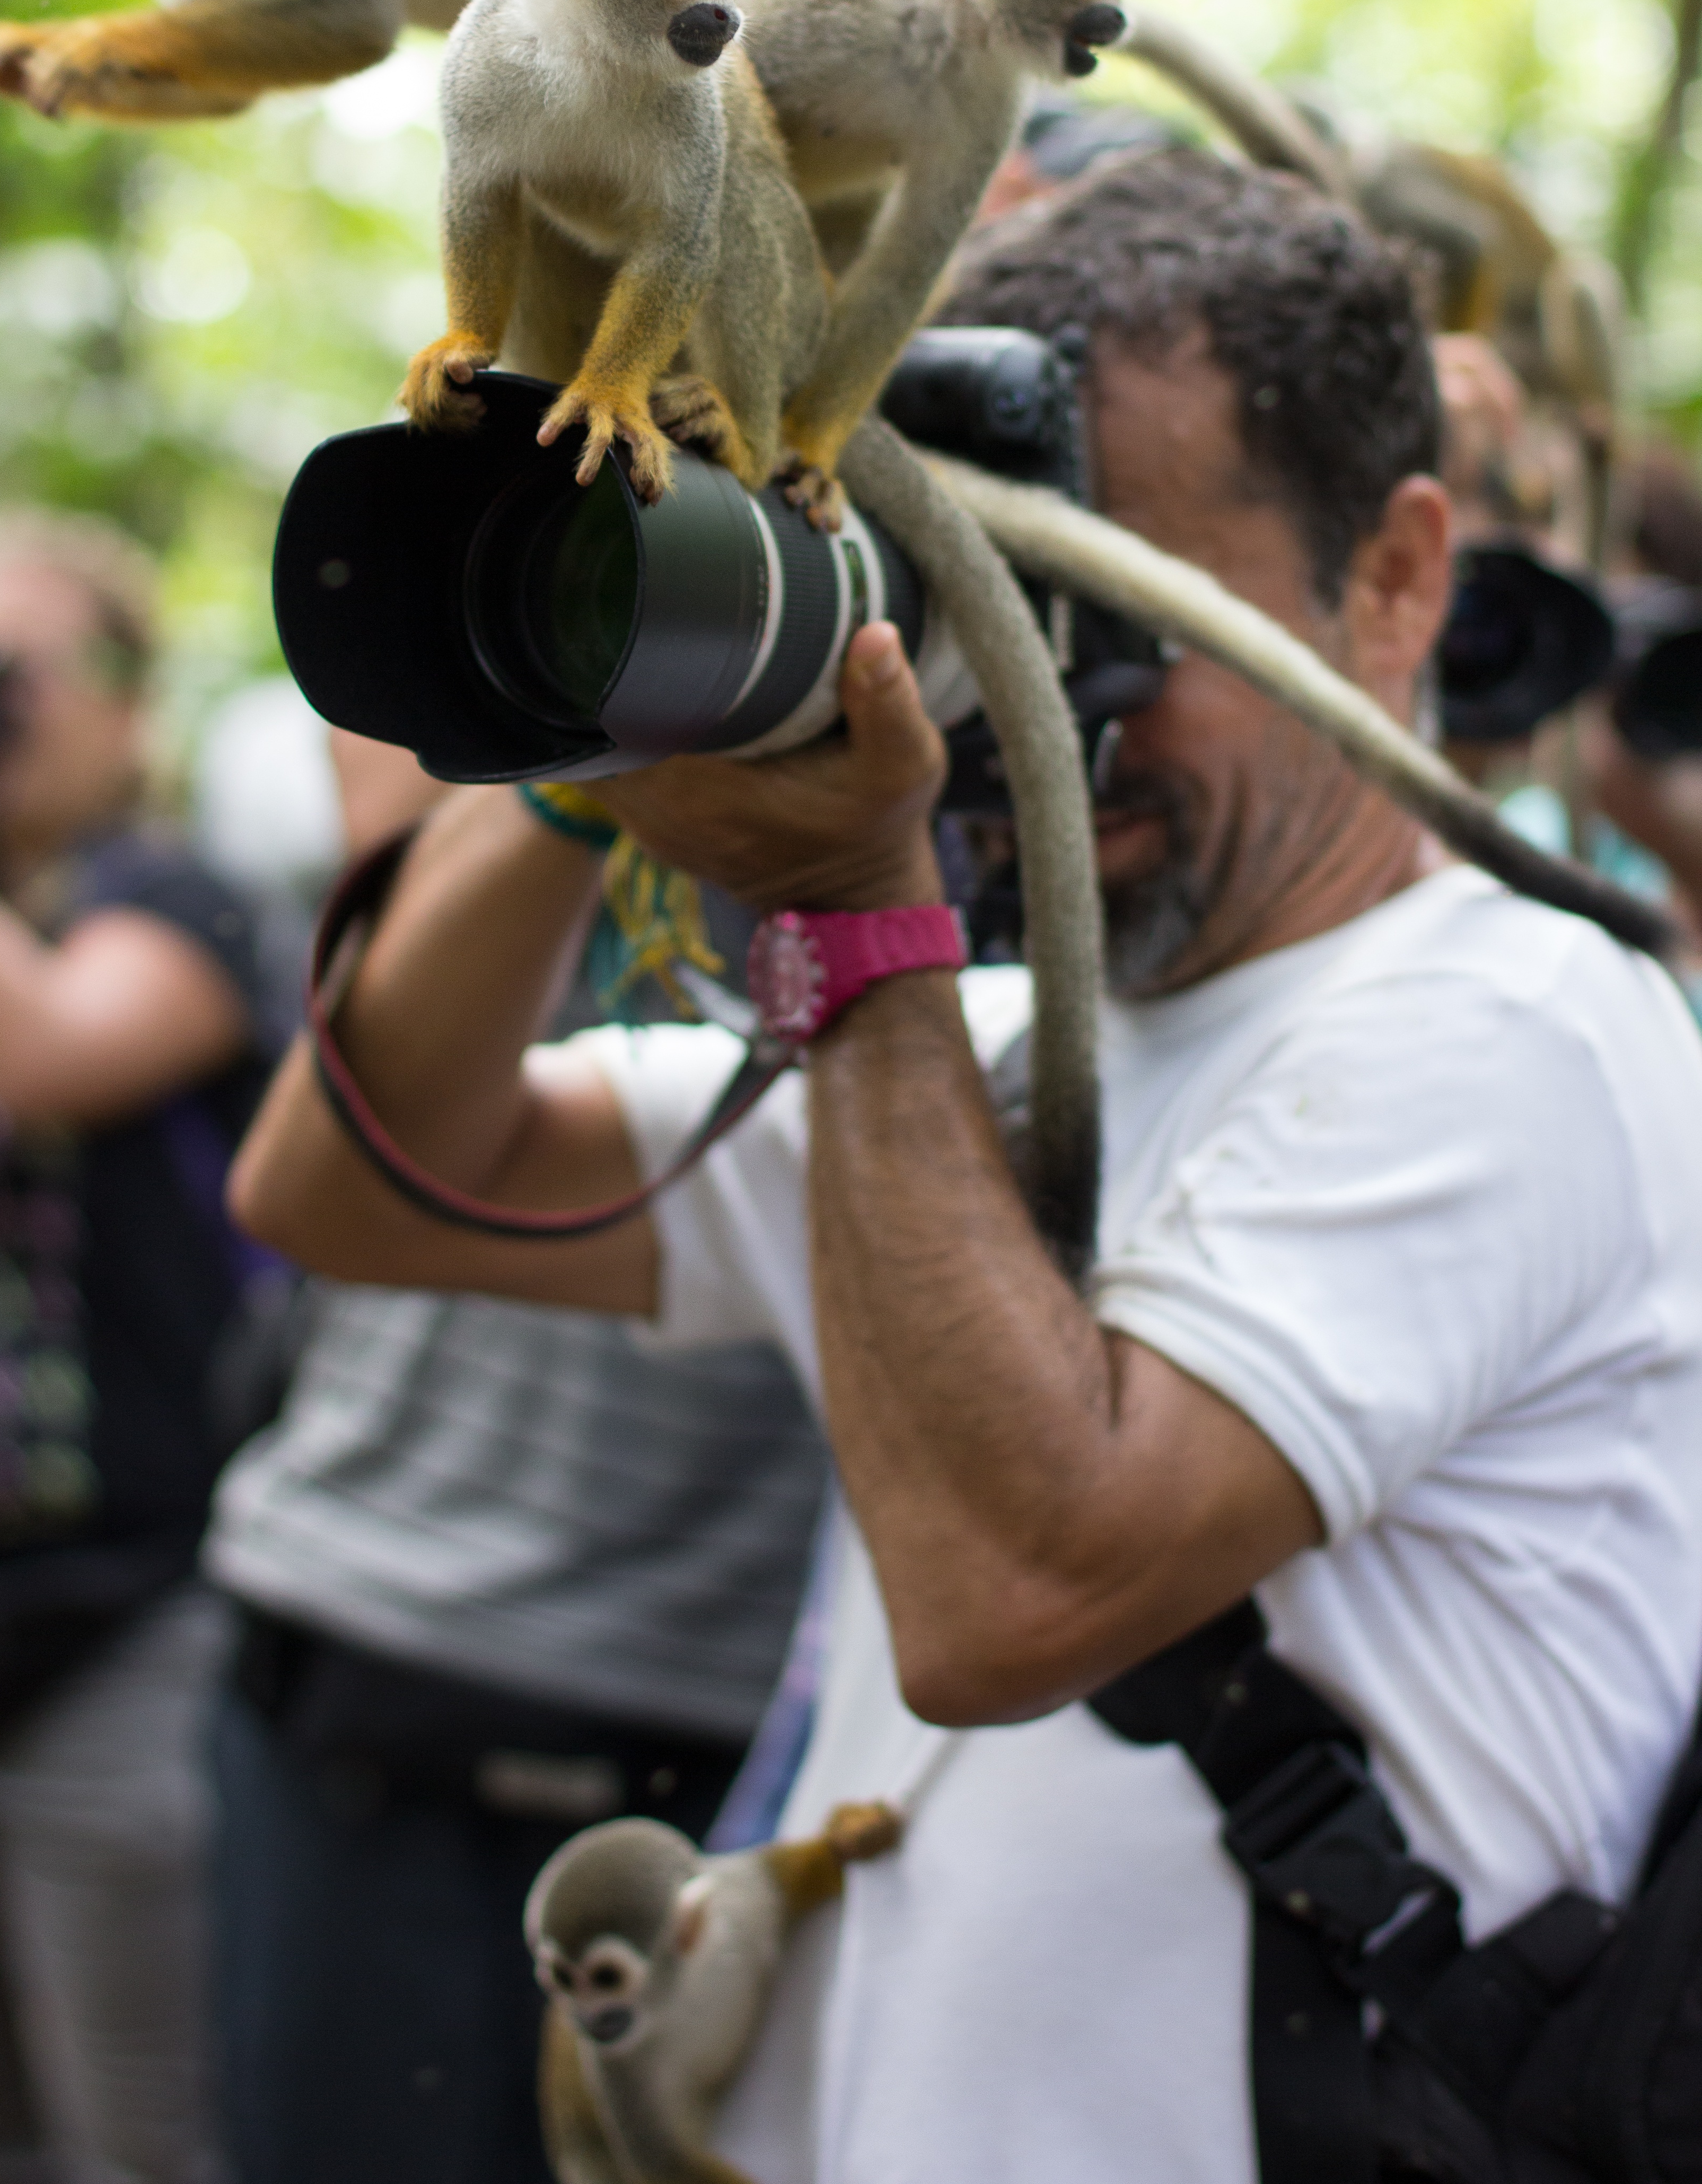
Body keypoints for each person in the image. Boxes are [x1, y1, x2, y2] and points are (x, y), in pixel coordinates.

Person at [230, 149, 1702, 2183]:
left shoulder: (1511, 1026)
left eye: (1099, 617)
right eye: (974, 601)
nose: (1028, 713)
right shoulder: (1001, 1048)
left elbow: (1015, 1598)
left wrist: (852, 910)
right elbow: (370, 1182)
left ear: (1396, 579)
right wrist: (616, 718)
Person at [205, 730, 827, 2184]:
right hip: (364, 1660)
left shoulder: (897, 793)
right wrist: (570, 733)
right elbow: (351, 1145)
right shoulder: (514, 761)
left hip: (706, 1725)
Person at [0, 512, 270, 2184]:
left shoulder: (177, 905)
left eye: (19, 670)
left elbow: (39, 1056)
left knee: (144, 2141)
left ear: (128, 702)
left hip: (121, 1632)